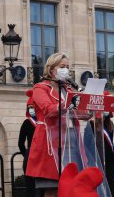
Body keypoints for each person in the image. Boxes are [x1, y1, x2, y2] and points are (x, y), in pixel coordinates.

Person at [26, 52, 78, 196]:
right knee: (52, 189)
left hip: (68, 142)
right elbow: (48, 109)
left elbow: (77, 113)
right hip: (48, 142)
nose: (66, 70)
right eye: (62, 66)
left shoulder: (68, 90)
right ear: (51, 69)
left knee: (69, 187)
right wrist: (67, 104)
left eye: (68, 67)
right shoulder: (40, 88)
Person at [18, 89, 37, 196]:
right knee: (30, 187)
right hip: (30, 156)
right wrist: (27, 155)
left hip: (42, 156)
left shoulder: (43, 121)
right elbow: (20, 143)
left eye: (33, 107)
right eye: (29, 108)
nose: (31, 110)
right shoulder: (26, 123)